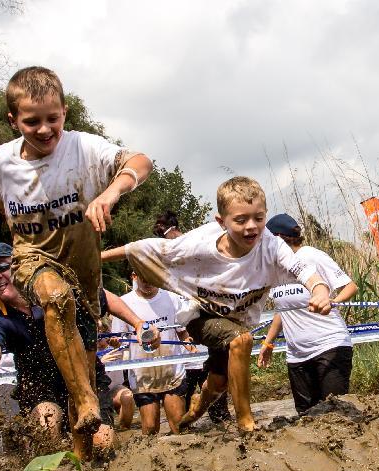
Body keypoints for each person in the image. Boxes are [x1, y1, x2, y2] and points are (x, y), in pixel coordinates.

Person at [0, 66, 153, 457]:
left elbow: (140, 161)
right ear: (13, 120)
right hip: (31, 258)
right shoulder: (4, 160)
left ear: (64, 113)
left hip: (84, 272)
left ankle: (79, 455)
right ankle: (86, 401)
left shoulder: (83, 148)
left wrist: (111, 193)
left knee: (85, 370)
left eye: (51, 119)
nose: (43, 130)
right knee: (54, 297)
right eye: (31, 122)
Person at [102, 176, 333, 432]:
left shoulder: (272, 245)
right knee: (242, 340)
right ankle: (245, 420)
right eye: (241, 220)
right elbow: (144, 249)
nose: (251, 227)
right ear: (221, 222)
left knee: (220, 380)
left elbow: (301, 268)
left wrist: (319, 288)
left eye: (258, 217)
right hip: (199, 315)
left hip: (237, 319)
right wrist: (96, 258)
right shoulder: (199, 244)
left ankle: (197, 408)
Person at [0, 243, 148, 456]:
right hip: (40, 388)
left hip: (85, 381)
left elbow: (103, 297)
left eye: (2, 268)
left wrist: (138, 324)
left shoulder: (56, 290)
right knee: (47, 425)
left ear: (18, 267)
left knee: (102, 443)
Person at [257, 214, 358, 413]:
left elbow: (350, 286)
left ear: (279, 238)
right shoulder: (275, 268)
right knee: (305, 418)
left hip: (329, 346)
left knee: (334, 414)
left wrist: (333, 301)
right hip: (297, 355)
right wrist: (268, 343)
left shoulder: (311, 256)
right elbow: (283, 310)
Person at [153, 210, 233, 424]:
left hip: (201, 327)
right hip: (185, 342)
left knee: (215, 378)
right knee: (191, 391)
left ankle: (216, 418)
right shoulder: (175, 254)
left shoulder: (190, 245)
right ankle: (195, 422)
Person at [111, 273, 189, 434]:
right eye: (144, 278)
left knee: (179, 426)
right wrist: (116, 343)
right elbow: (120, 341)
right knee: (150, 428)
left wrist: (191, 346)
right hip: (142, 377)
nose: (148, 283)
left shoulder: (172, 298)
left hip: (172, 371)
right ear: (134, 276)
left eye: (152, 277)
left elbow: (183, 332)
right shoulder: (123, 303)